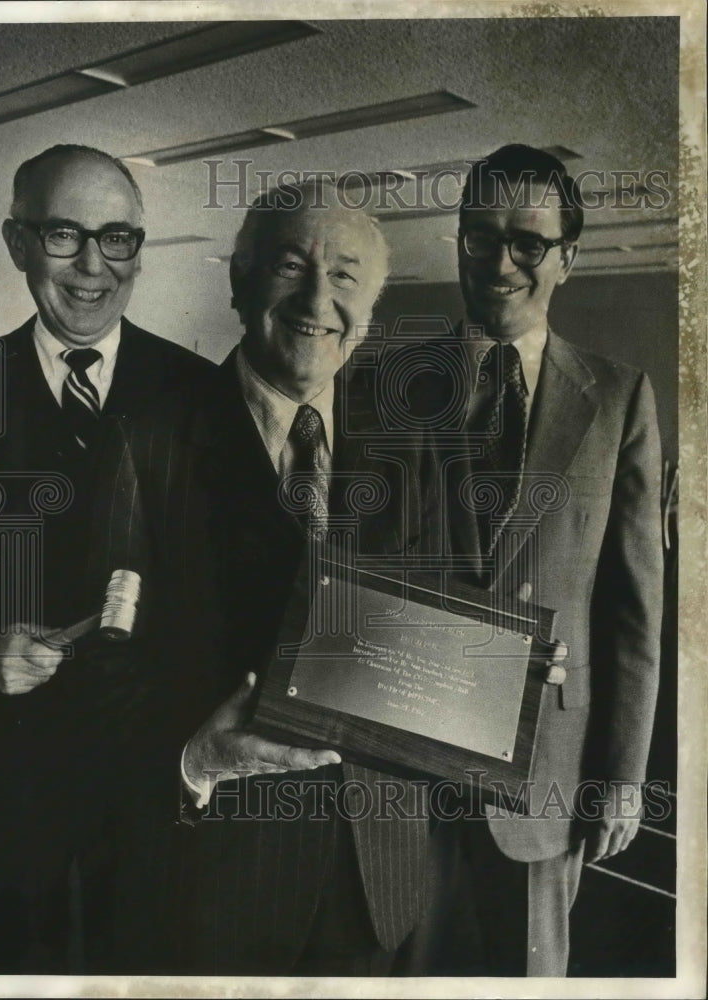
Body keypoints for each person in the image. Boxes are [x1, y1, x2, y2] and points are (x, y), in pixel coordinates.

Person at [87, 179, 449, 976]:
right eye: (291, 267)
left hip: (379, 872)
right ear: (240, 282)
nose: (318, 298)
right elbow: (103, 664)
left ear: (370, 307)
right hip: (220, 877)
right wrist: (193, 758)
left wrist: (502, 671)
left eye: (345, 276)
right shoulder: (146, 441)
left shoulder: (409, 440)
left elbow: (433, 618)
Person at [0, 144, 213, 973]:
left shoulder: (203, 395)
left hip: (149, 791)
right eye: (64, 235)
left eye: (116, 237)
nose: (93, 266)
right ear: (17, 242)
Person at [419, 144, 663, 976]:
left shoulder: (619, 398)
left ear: (568, 257)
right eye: (481, 237)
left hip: (546, 775)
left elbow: (633, 611)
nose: (501, 264)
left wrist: (622, 777)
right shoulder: (384, 384)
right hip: (401, 765)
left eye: (527, 242)